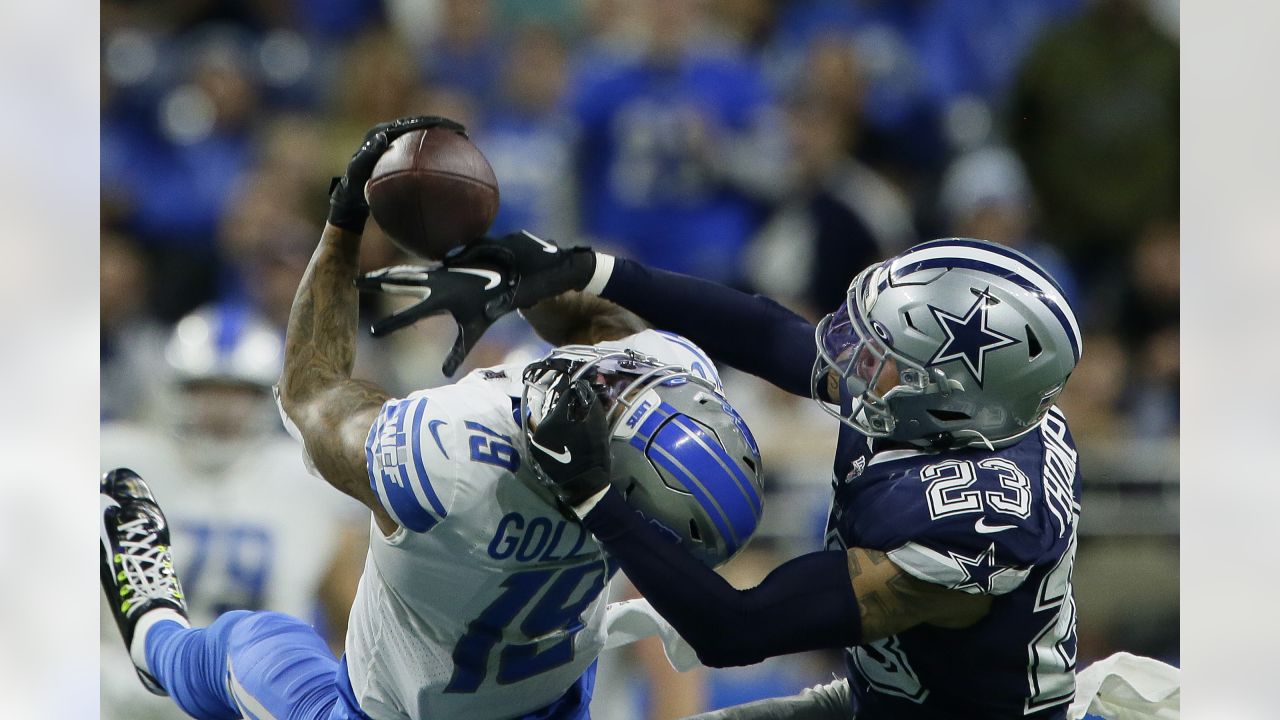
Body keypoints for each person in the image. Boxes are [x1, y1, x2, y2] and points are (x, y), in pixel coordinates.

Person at [99, 116, 764, 720]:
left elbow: (310, 392)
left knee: (257, 644)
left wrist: (343, 227)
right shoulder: (665, 394)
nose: (618, 376)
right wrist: (507, 268)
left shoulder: (449, 455)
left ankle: (152, 624)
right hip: (550, 706)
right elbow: (612, 330)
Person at [376, 229, 1085, 718]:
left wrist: (594, 497)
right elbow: (769, 333)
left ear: (955, 399)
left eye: (888, 352)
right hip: (883, 699)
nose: (856, 354)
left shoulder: (973, 525)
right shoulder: (951, 414)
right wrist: (591, 269)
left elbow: (735, 629)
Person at [100, 302, 366, 720]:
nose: (220, 409)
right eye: (205, 389)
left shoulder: (307, 478)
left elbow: (352, 625)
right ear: (175, 389)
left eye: (236, 392)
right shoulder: (121, 460)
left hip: (253, 697)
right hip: (127, 700)